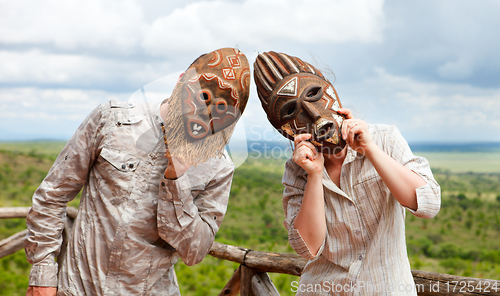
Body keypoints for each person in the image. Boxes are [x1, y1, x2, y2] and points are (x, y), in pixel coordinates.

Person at [24, 47, 251, 296]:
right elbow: (53, 194)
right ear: (181, 81)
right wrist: (43, 275)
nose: (204, 113)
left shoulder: (219, 166)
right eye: (203, 96)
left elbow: (194, 252)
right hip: (78, 288)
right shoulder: (111, 120)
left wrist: (177, 179)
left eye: (221, 108)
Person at [253, 51, 441, 295]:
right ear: (285, 129)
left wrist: (371, 150)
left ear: (330, 91)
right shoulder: (297, 170)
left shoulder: (384, 138)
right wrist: (315, 175)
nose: (312, 113)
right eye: (291, 111)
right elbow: (309, 248)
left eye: (314, 94)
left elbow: (428, 204)